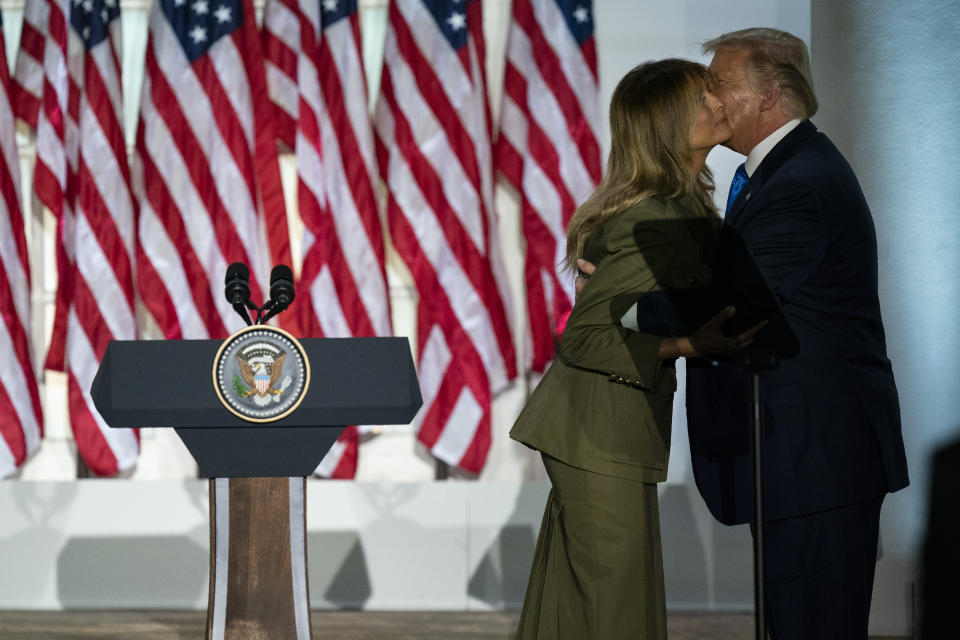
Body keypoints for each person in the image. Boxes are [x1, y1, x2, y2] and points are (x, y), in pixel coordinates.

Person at [578, 28, 909, 640]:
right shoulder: (777, 173)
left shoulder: (801, 182)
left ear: (770, 95)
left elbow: (735, 304)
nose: (709, 99)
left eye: (719, 84)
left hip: (815, 456)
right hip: (795, 454)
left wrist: (621, 305)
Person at [510, 59, 762, 640]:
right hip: (595, 429)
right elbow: (586, 336)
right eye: (704, 101)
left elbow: (634, 301)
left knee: (592, 603)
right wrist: (687, 344)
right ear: (668, 124)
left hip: (611, 428)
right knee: (614, 608)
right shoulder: (650, 215)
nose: (719, 106)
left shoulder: (677, 209)